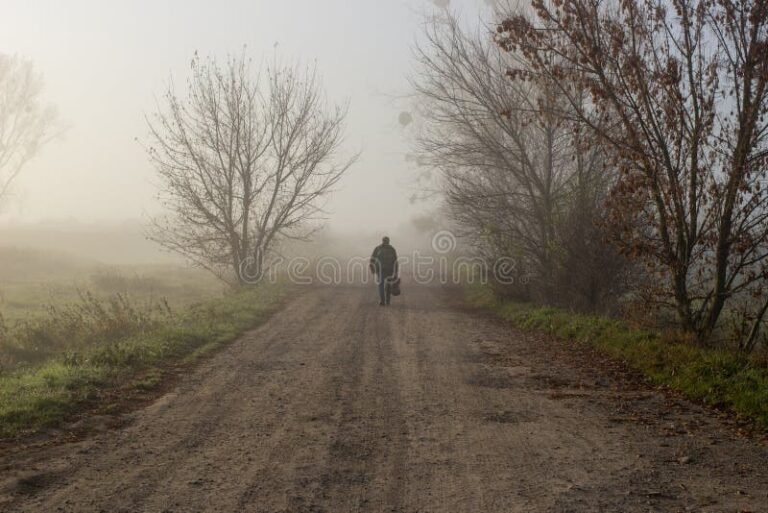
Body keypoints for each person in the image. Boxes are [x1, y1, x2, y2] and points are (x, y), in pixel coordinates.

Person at [369, 236, 398, 306]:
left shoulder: (378, 248)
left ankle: (383, 301)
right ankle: (387, 301)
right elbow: (395, 261)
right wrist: (396, 272)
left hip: (381, 270)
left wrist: (372, 269)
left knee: (381, 285)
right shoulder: (392, 249)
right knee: (387, 286)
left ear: (382, 241)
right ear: (388, 241)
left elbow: (372, 259)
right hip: (388, 270)